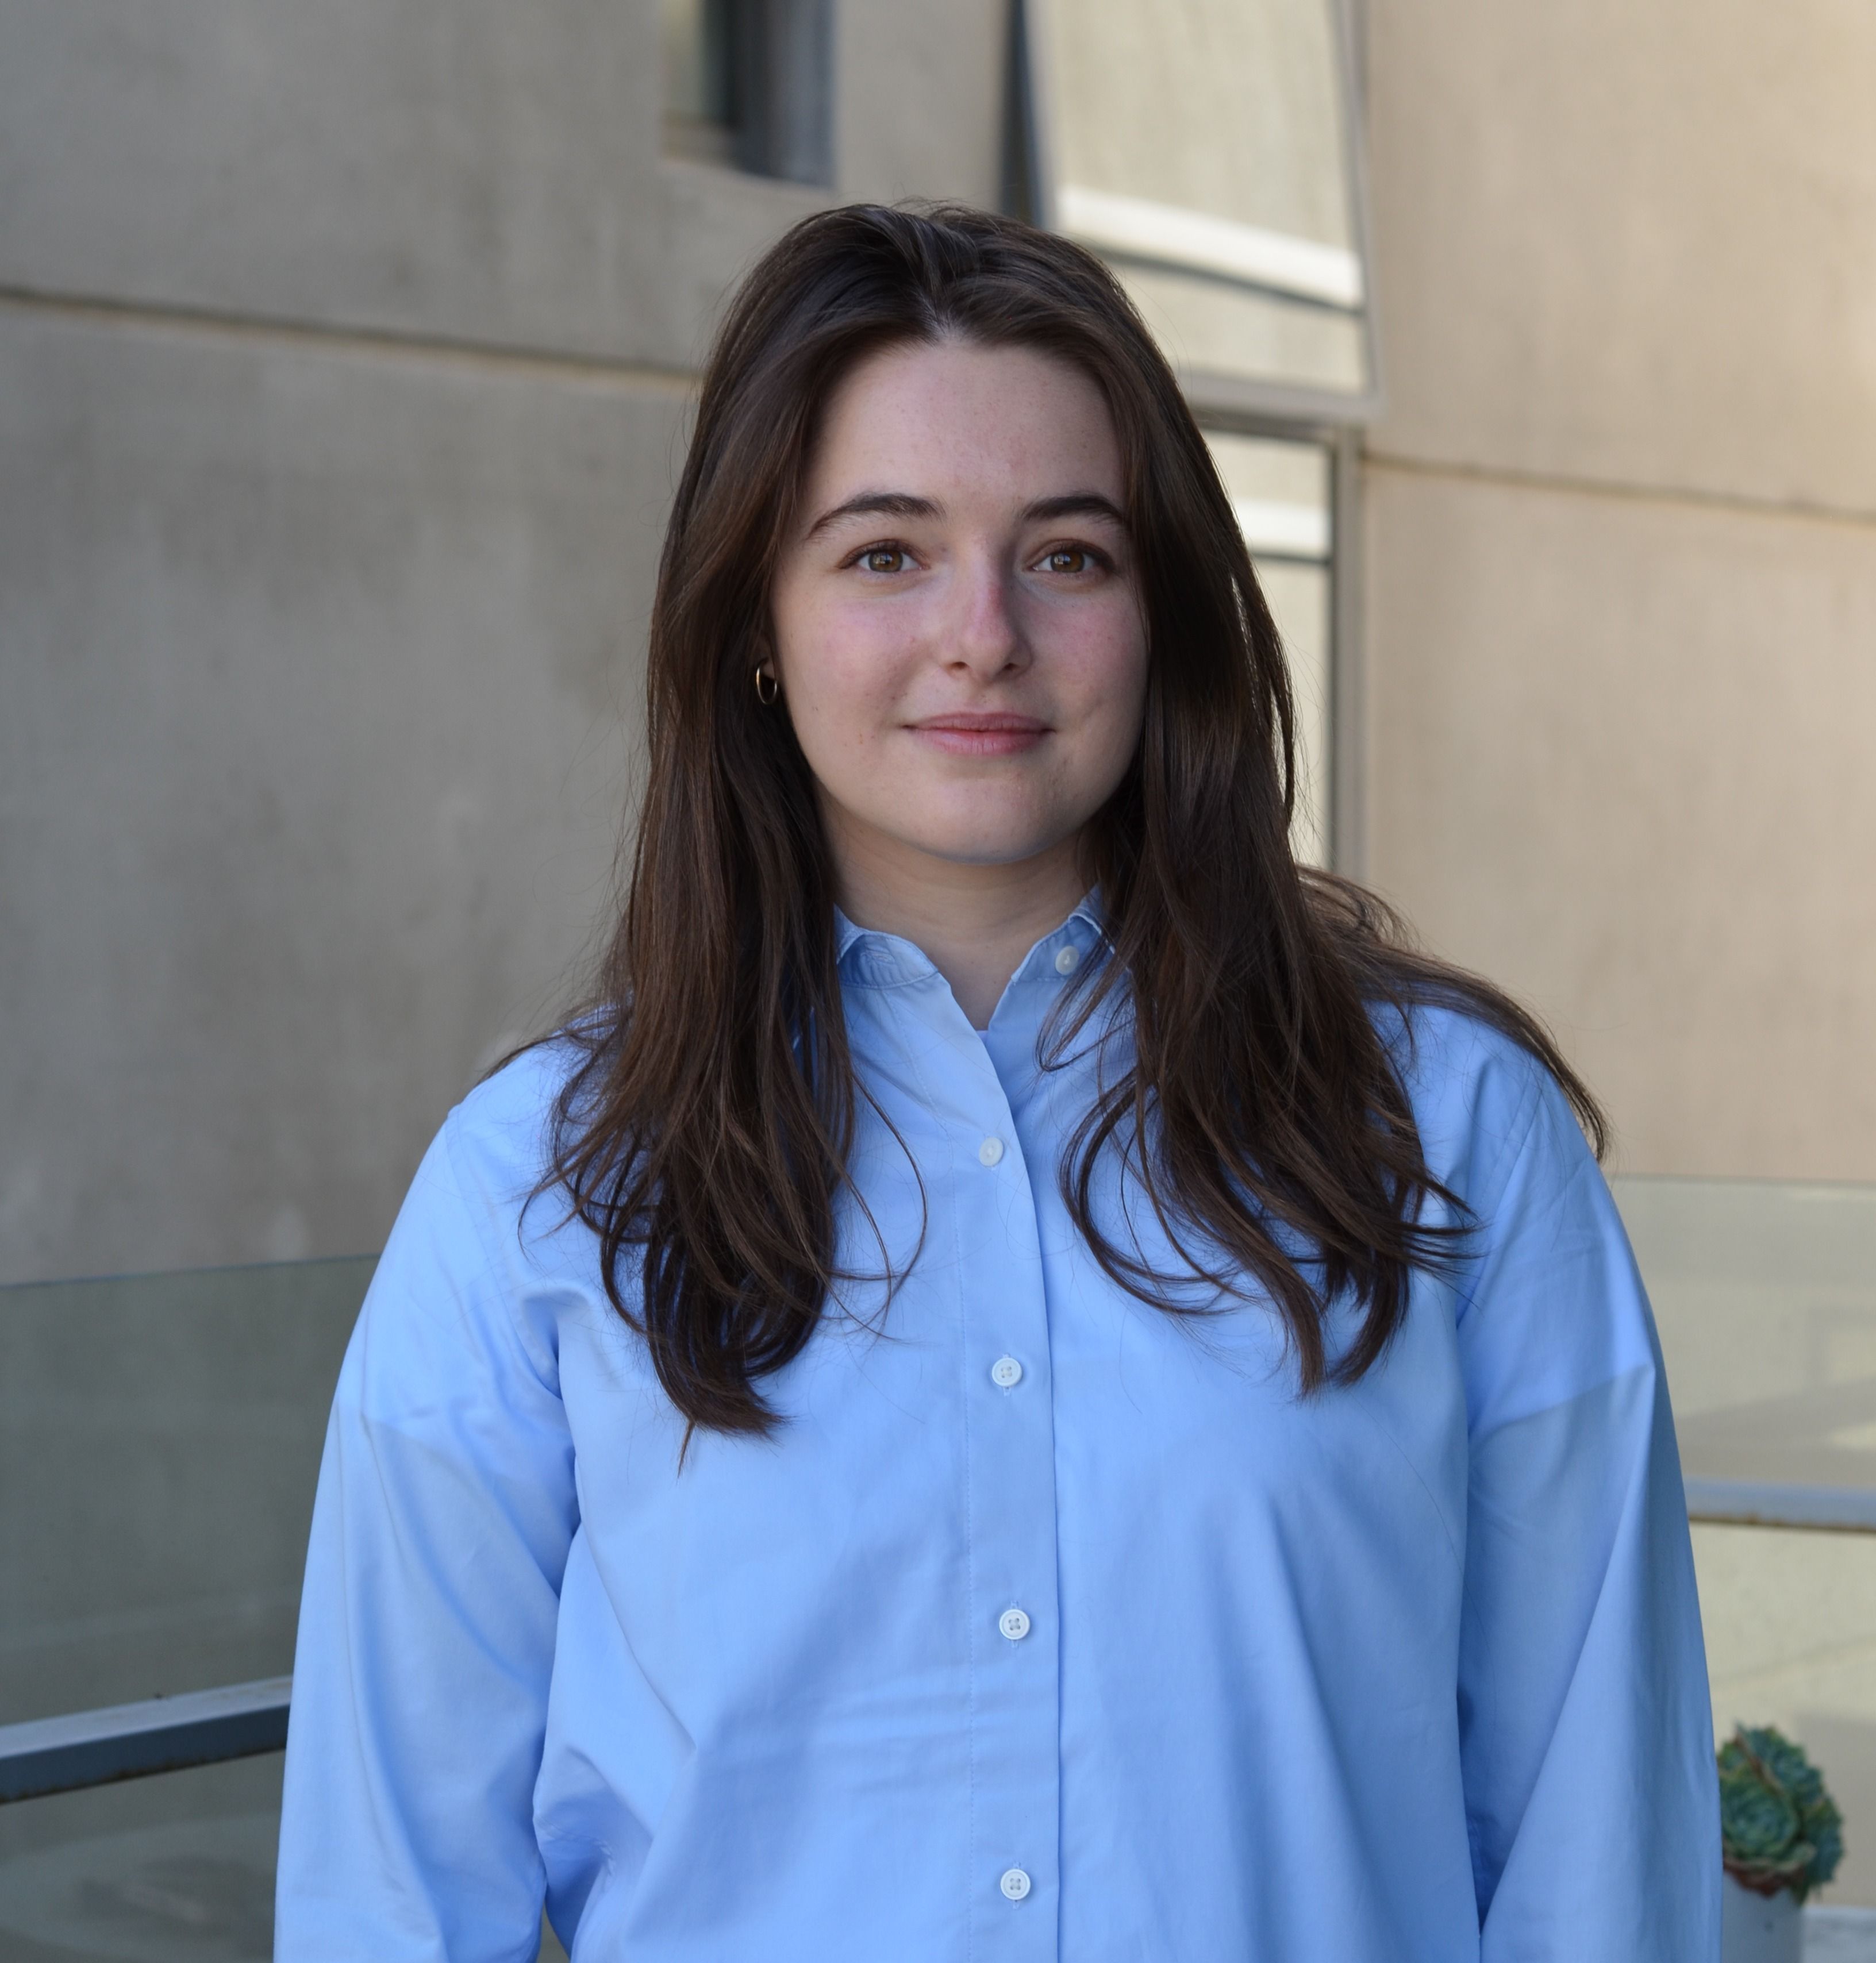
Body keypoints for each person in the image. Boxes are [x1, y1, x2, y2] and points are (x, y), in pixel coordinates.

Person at [275, 203, 1719, 1960]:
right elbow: (398, 1899)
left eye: (1068, 555)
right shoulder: (538, 1193)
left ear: (1162, 613)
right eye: (886, 553)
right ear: (756, 621)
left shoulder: (1448, 1132)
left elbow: (1597, 1868)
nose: (983, 634)